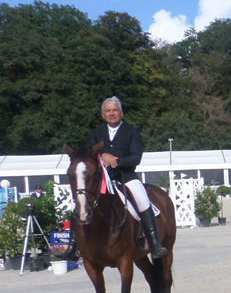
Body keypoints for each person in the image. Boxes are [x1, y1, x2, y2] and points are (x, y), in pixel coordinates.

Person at [64, 96, 167, 259]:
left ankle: (154, 244)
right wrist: (103, 155)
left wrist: (116, 162)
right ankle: (72, 247)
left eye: (115, 110)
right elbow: (88, 155)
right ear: (103, 115)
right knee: (78, 203)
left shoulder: (132, 132)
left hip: (126, 176)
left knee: (142, 199)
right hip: (101, 178)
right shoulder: (96, 133)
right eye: (108, 111)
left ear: (121, 113)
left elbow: (136, 157)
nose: (111, 113)